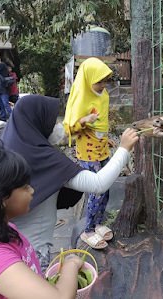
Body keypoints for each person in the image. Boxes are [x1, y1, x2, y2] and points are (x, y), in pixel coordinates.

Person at [0, 95, 138, 271]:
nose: (58, 125)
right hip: (33, 253)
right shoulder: (44, 158)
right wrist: (124, 149)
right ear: (37, 121)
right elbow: (98, 184)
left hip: (7, 251)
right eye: (52, 121)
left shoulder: (7, 148)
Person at [0, 144, 85, 299]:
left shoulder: (6, 228)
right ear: (1, 198)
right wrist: (70, 265)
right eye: (25, 187)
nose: (32, 190)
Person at [63, 57, 120, 250]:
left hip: (101, 147)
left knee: (107, 186)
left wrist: (106, 139)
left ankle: (98, 223)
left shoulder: (102, 95)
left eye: (106, 81)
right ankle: (88, 230)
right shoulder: (81, 97)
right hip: (88, 153)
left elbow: (101, 125)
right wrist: (85, 119)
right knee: (96, 190)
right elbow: (70, 128)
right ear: (88, 80)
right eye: (100, 81)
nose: (104, 85)